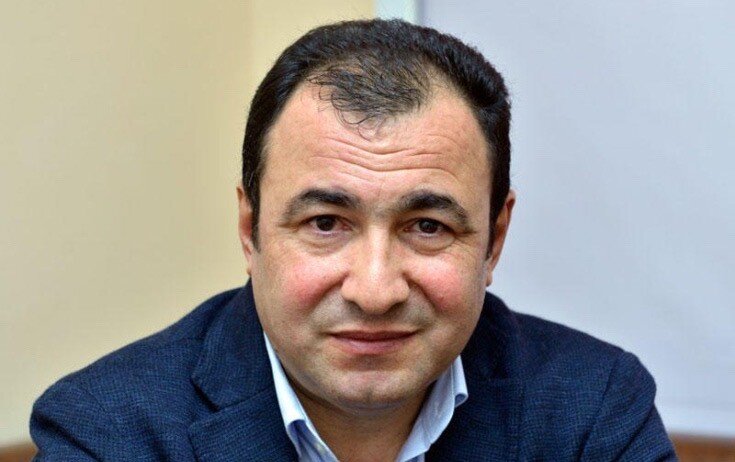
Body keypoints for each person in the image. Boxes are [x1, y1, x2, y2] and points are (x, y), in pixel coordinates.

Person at [30, 19, 676, 461]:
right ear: (250, 231)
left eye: (428, 227)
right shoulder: (109, 432)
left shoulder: (591, 410)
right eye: (325, 223)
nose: (374, 290)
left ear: (494, 240)